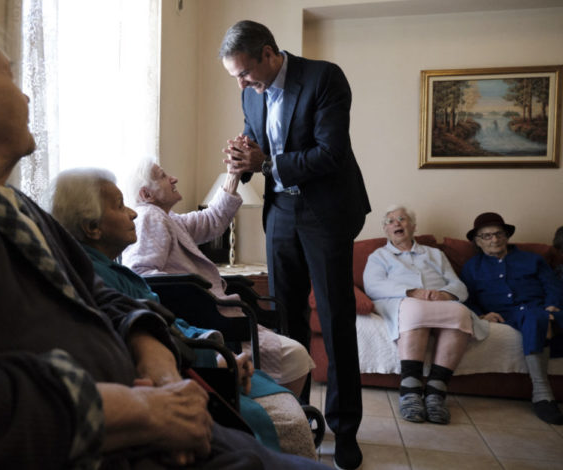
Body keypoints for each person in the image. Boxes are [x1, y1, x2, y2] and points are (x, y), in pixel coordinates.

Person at [0, 8, 332, 469]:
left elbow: (102, 297)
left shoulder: (9, 202)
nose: (26, 94)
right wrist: (138, 412)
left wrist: (158, 363)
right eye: (7, 75)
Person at [50, 167, 317, 458]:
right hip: (187, 361)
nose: (133, 214)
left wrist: (232, 176)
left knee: (284, 373)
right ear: (92, 227)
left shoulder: (163, 223)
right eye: (119, 205)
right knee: (285, 386)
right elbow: (150, 307)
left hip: (194, 345)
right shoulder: (115, 259)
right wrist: (211, 352)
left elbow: (211, 221)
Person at [218, 19, 370, 470]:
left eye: (245, 73)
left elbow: (331, 153)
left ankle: (345, 429)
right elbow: (255, 147)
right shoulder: (250, 92)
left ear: (268, 53)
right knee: (285, 321)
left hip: (326, 214)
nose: (243, 84)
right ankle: (298, 421)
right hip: (280, 213)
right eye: (236, 78)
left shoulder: (324, 78)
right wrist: (241, 162)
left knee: (336, 317)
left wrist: (265, 161)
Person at [121, 157, 314, 398]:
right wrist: (199, 295)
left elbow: (211, 221)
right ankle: (274, 414)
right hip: (204, 323)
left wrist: (232, 175)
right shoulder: (150, 217)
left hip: (212, 317)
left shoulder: (168, 219)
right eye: (162, 176)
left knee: (296, 355)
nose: (173, 178)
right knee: (296, 356)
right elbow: (141, 274)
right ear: (146, 194)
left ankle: (270, 408)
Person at [362, 205, 489, 425]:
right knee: (415, 309)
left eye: (402, 219)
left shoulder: (435, 254)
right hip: (400, 301)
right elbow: (373, 287)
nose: (397, 223)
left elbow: (458, 285)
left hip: (438, 300)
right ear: (385, 229)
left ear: (412, 226)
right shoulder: (379, 256)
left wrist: (446, 295)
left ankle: (436, 392)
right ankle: (410, 390)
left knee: (460, 312)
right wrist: (411, 292)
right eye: (391, 221)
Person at [462, 212, 563, 425]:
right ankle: (542, 394)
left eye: (499, 234)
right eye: (487, 236)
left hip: (539, 309)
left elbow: (552, 285)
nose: (494, 240)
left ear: (507, 236)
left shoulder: (533, 260)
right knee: (537, 319)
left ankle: (542, 394)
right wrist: (482, 314)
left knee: (537, 317)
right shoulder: (472, 267)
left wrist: (552, 305)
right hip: (506, 314)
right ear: (478, 242)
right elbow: (466, 297)